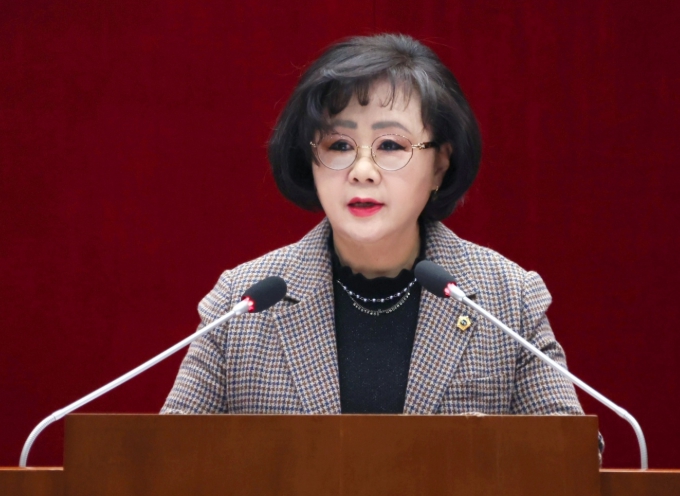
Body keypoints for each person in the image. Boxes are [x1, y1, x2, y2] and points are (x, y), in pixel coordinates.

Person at [161, 34, 595, 442]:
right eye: (338, 145)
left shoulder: (507, 299)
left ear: (440, 164)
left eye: (390, 145)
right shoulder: (240, 305)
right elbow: (170, 459)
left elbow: (570, 458)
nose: (362, 170)